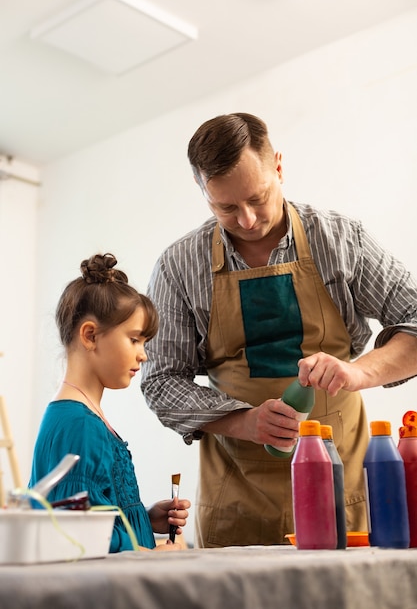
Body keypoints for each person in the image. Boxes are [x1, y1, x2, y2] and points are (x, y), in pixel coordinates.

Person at [140, 112, 417, 549]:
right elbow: (160, 380)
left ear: (279, 168)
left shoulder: (340, 239)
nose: (247, 219)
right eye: (225, 207)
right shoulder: (179, 266)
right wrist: (246, 421)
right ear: (203, 194)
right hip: (237, 498)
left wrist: (359, 373)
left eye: (258, 197)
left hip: (342, 485)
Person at [29, 252, 190, 553]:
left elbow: (99, 517)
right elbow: (73, 538)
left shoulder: (86, 417)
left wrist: (143, 517)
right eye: (134, 340)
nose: (143, 354)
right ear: (90, 335)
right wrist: (154, 556)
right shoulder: (79, 426)